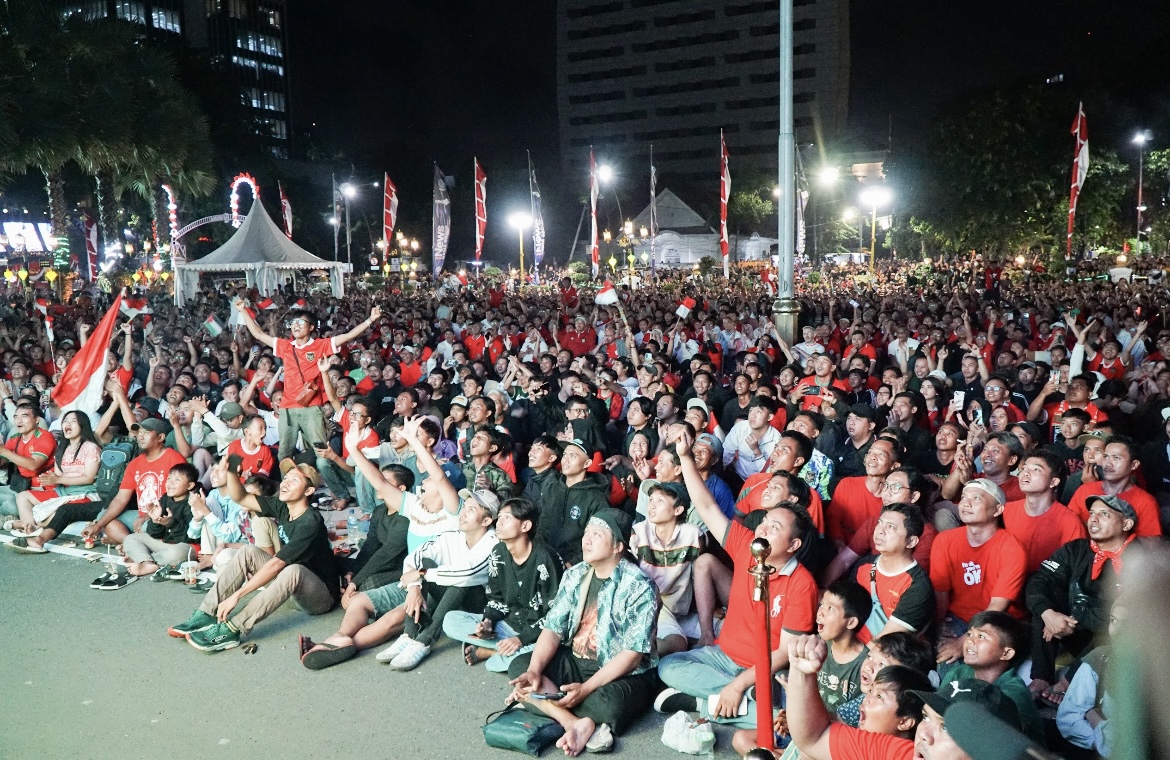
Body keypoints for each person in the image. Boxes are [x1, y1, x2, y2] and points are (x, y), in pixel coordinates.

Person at [656, 432, 817, 730]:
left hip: (763, 669)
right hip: (722, 656)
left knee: (786, 722)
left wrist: (741, 683)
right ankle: (741, 705)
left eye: (775, 527)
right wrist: (686, 457)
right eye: (765, 522)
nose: (763, 529)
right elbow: (706, 507)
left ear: (793, 545)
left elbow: (784, 652)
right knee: (668, 665)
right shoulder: (746, 545)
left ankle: (707, 702)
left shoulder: (802, 584)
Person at [506, 508, 659, 756]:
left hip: (619, 671)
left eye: (596, 535)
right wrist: (534, 671)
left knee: (611, 706)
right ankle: (573, 722)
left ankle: (544, 701)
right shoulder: (575, 574)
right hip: (576, 660)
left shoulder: (639, 585)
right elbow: (553, 629)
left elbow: (632, 655)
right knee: (520, 669)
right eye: (586, 533)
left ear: (618, 546)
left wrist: (586, 689)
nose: (586, 540)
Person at [167, 458, 341, 652]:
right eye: (286, 478)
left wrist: (238, 595)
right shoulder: (283, 506)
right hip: (288, 589)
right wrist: (232, 470)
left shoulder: (310, 522)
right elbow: (241, 497)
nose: (285, 482)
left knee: (294, 570)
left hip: (319, 596)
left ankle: (231, 629)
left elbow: (276, 565)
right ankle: (206, 613)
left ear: (308, 491)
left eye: (294, 480)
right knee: (248, 551)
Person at [1025, 494, 1139, 704]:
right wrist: (1049, 614)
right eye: (1092, 514)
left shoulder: (1140, 557)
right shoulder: (1076, 549)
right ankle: (1041, 676)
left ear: (1126, 523)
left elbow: (1134, 609)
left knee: (1120, 623)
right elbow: (1040, 579)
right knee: (1043, 602)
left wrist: (1073, 619)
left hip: (1108, 638)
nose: (1093, 519)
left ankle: (1068, 682)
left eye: (1104, 514)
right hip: (1070, 630)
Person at [234, 298, 380, 460]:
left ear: (311, 327)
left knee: (320, 449)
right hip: (287, 407)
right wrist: (243, 310)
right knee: (284, 452)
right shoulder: (285, 345)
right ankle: (288, 483)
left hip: (311, 407)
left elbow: (346, 336)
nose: (295, 326)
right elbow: (258, 333)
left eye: (301, 322)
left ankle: (325, 479)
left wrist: (370, 320)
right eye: (293, 322)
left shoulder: (320, 345)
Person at [378, 488, 499, 671]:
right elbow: (414, 558)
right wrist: (414, 588)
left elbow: (466, 573)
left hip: (481, 611)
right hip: (451, 600)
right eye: (465, 507)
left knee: (459, 579)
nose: (464, 513)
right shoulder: (453, 535)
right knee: (424, 563)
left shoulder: (494, 543)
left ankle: (425, 640)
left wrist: (421, 574)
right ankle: (409, 636)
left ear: (486, 520)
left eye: (472, 510)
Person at [441, 497, 561, 672]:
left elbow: (554, 614)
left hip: (536, 633)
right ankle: (502, 649)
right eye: (500, 517)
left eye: (507, 518)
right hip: (506, 625)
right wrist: (488, 622)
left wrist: (522, 639)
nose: (499, 522)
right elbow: (496, 598)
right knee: (450, 620)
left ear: (525, 526)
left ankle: (489, 652)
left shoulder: (544, 559)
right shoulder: (498, 552)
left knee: (499, 664)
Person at [930, 478, 1027, 666]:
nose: (966, 503)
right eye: (964, 497)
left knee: (962, 661)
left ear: (998, 510)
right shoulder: (945, 540)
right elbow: (940, 592)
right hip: (957, 618)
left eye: (976, 498)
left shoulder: (1012, 548)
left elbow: (998, 605)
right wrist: (939, 626)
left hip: (997, 622)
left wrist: (963, 641)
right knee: (937, 654)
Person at [937, 610, 1044, 744]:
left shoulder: (1013, 693)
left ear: (1006, 653)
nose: (970, 641)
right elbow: (938, 711)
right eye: (970, 634)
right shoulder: (957, 673)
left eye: (981, 637)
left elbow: (1001, 741)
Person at [81, 418, 188, 547]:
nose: (141, 437)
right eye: (139, 433)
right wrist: (97, 525)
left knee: (149, 527)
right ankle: (133, 543)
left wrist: (149, 516)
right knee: (104, 517)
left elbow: (181, 499)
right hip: (141, 517)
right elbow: (120, 499)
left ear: (160, 437)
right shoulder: (135, 463)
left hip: (163, 518)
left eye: (146, 433)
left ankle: (128, 542)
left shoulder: (174, 458)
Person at [628, 481, 702, 655]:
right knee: (676, 642)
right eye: (651, 499)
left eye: (659, 501)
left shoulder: (692, 534)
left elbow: (708, 564)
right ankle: (631, 656)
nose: (652, 505)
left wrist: (710, 604)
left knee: (726, 629)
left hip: (680, 610)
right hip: (652, 605)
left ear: (678, 510)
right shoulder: (638, 532)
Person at [1001, 450, 1086, 573]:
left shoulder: (1069, 521)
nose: (1025, 473)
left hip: (1047, 587)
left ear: (1053, 482)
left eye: (1036, 470)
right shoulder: (1006, 511)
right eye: (1024, 468)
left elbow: (1076, 566)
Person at [1066, 436, 1162, 537]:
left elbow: (1150, 545)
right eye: (1106, 457)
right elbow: (1069, 528)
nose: (1108, 463)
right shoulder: (1085, 490)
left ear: (1134, 464)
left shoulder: (1145, 502)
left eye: (1116, 458)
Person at [121, 462, 199, 578]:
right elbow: (155, 534)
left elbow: (192, 537)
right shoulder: (165, 498)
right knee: (131, 538)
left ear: (190, 486)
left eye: (177, 480)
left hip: (186, 546)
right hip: (165, 543)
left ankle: (141, 559)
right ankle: (147, 562)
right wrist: (155, 520)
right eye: (169, 478)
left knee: (176, 554)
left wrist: (171, 523)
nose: (170, 483)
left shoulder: (193, 502)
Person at [0, 405, 57, 519]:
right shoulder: (15, 438)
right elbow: (2, 462)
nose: (19, 420)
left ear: (37, 420)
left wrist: (4, 451)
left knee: (11, 506)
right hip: (21, 488)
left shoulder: (45, 436)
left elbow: (34, 465)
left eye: (24, 416)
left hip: (43, 490)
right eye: (16, 417)